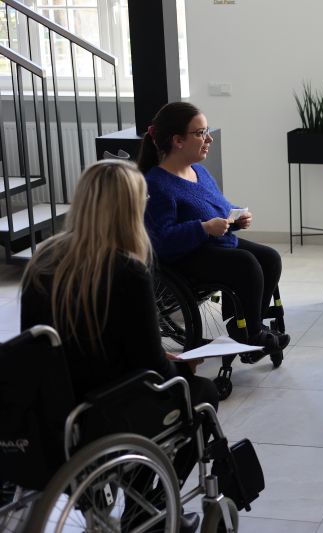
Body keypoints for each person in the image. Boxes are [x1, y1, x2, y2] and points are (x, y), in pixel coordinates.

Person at [20, 159, 215, 531]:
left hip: (53, 409)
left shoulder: (43, 262)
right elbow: (152, 367)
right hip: (109, 406)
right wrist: (181, 367)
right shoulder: (127, 270)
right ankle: (148, 506)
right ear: (130, 209)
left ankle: (136, 498)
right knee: (201, 396)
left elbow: (38, 347)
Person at [138, 101, 288, 351]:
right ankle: (250, 335)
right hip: (185, 256)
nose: (209, 139)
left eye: (207, 131)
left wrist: (235, 218)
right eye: (200, 133)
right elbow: (162, 241)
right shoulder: (157, 184)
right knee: (246, 264)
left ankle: (251, 325)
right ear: (177, 141)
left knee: (270, 258)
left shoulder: (199, 172)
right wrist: (204, 228)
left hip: (215, 244)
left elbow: (215, 208)